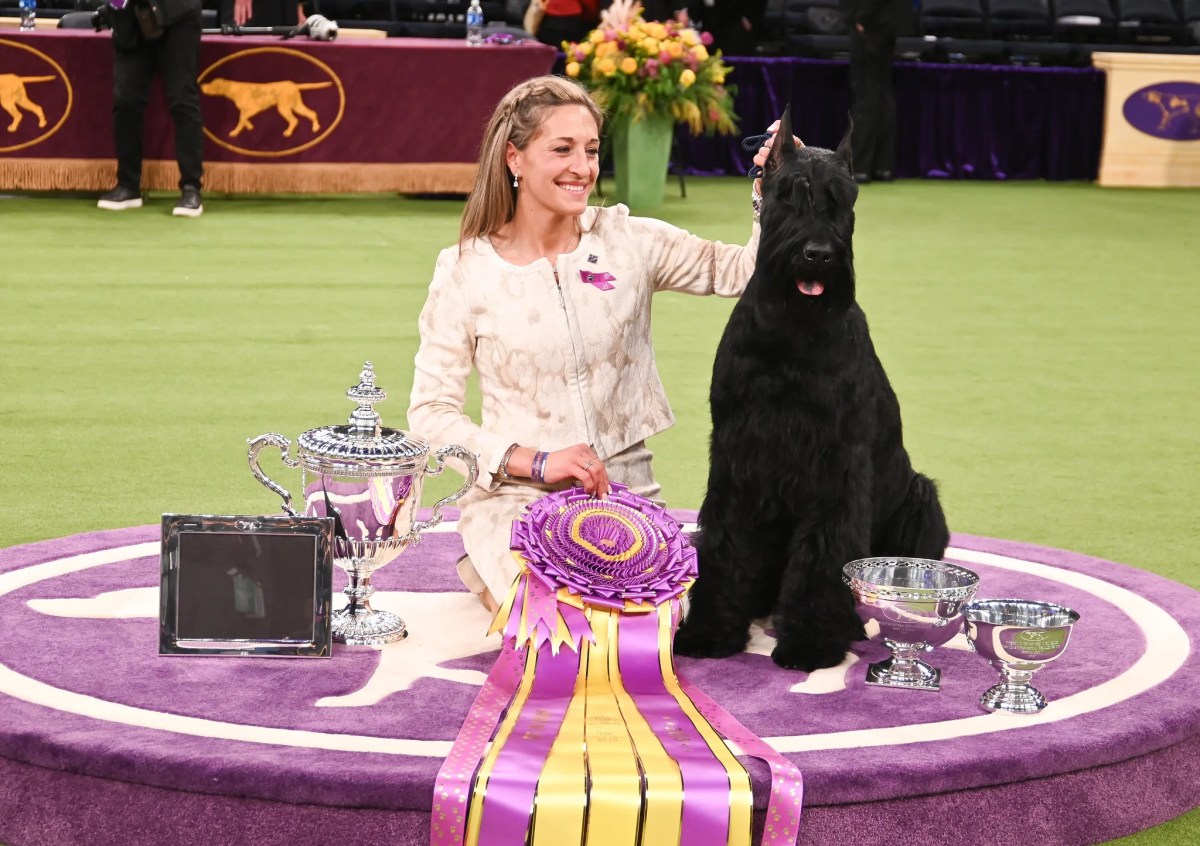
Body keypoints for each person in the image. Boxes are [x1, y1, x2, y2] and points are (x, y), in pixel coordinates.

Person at [407, 75, 789, 612]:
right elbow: (430, 415)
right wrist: (536, 462)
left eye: (590, 150)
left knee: (648, 623)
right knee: (561, 626)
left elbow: (743, 273)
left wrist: (773, 190)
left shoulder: (629, 240)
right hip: (517, 497)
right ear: (514, 159)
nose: (582, 168)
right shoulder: (465, 270)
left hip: (622, 490)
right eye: (561, 149)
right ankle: (491, 564)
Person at [96, 0, 205, 217]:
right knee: (126, 101)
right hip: (128, 18)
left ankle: (191, 188)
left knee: (182, 101)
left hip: (177, 16)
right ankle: (128, 185)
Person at [839, 0, 911, 183]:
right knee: (883, 94)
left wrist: (861, 18)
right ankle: (883, 166)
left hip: (870, 24)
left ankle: (861, 167)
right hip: (886, 23)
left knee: (866, 96)